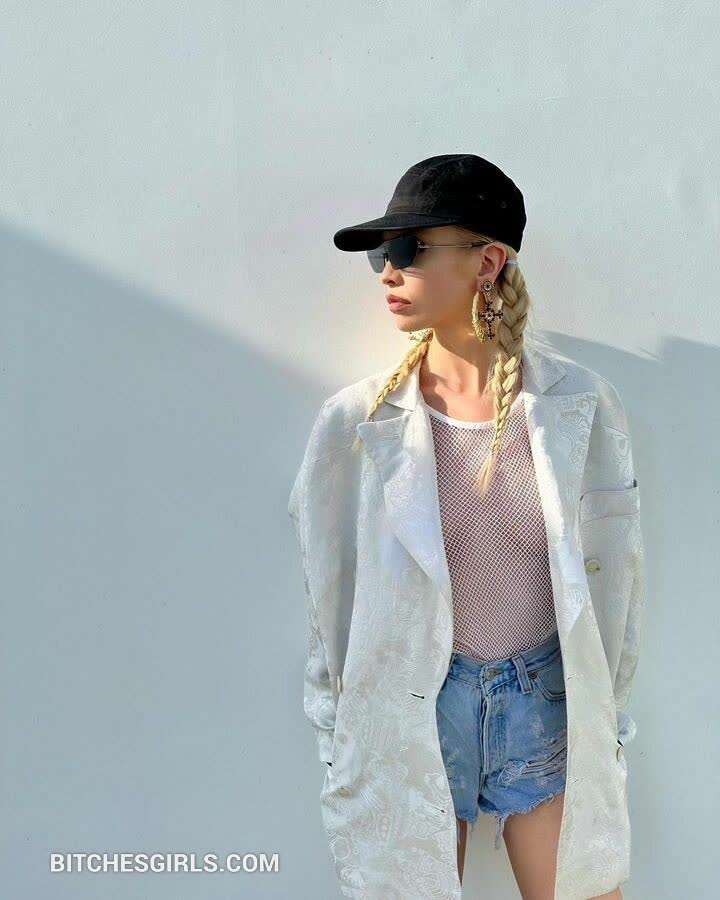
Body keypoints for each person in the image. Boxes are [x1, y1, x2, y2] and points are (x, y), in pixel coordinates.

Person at [288, 154, 645, 900]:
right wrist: (339, 739)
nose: (388, 272)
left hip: (545, 705)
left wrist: (608, 724)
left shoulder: (579, 404)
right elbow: (330, 597)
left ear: (487, 262)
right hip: (412, 708)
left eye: (409, 248)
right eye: (381, 255)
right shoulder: (354, 422)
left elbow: (618, 575)